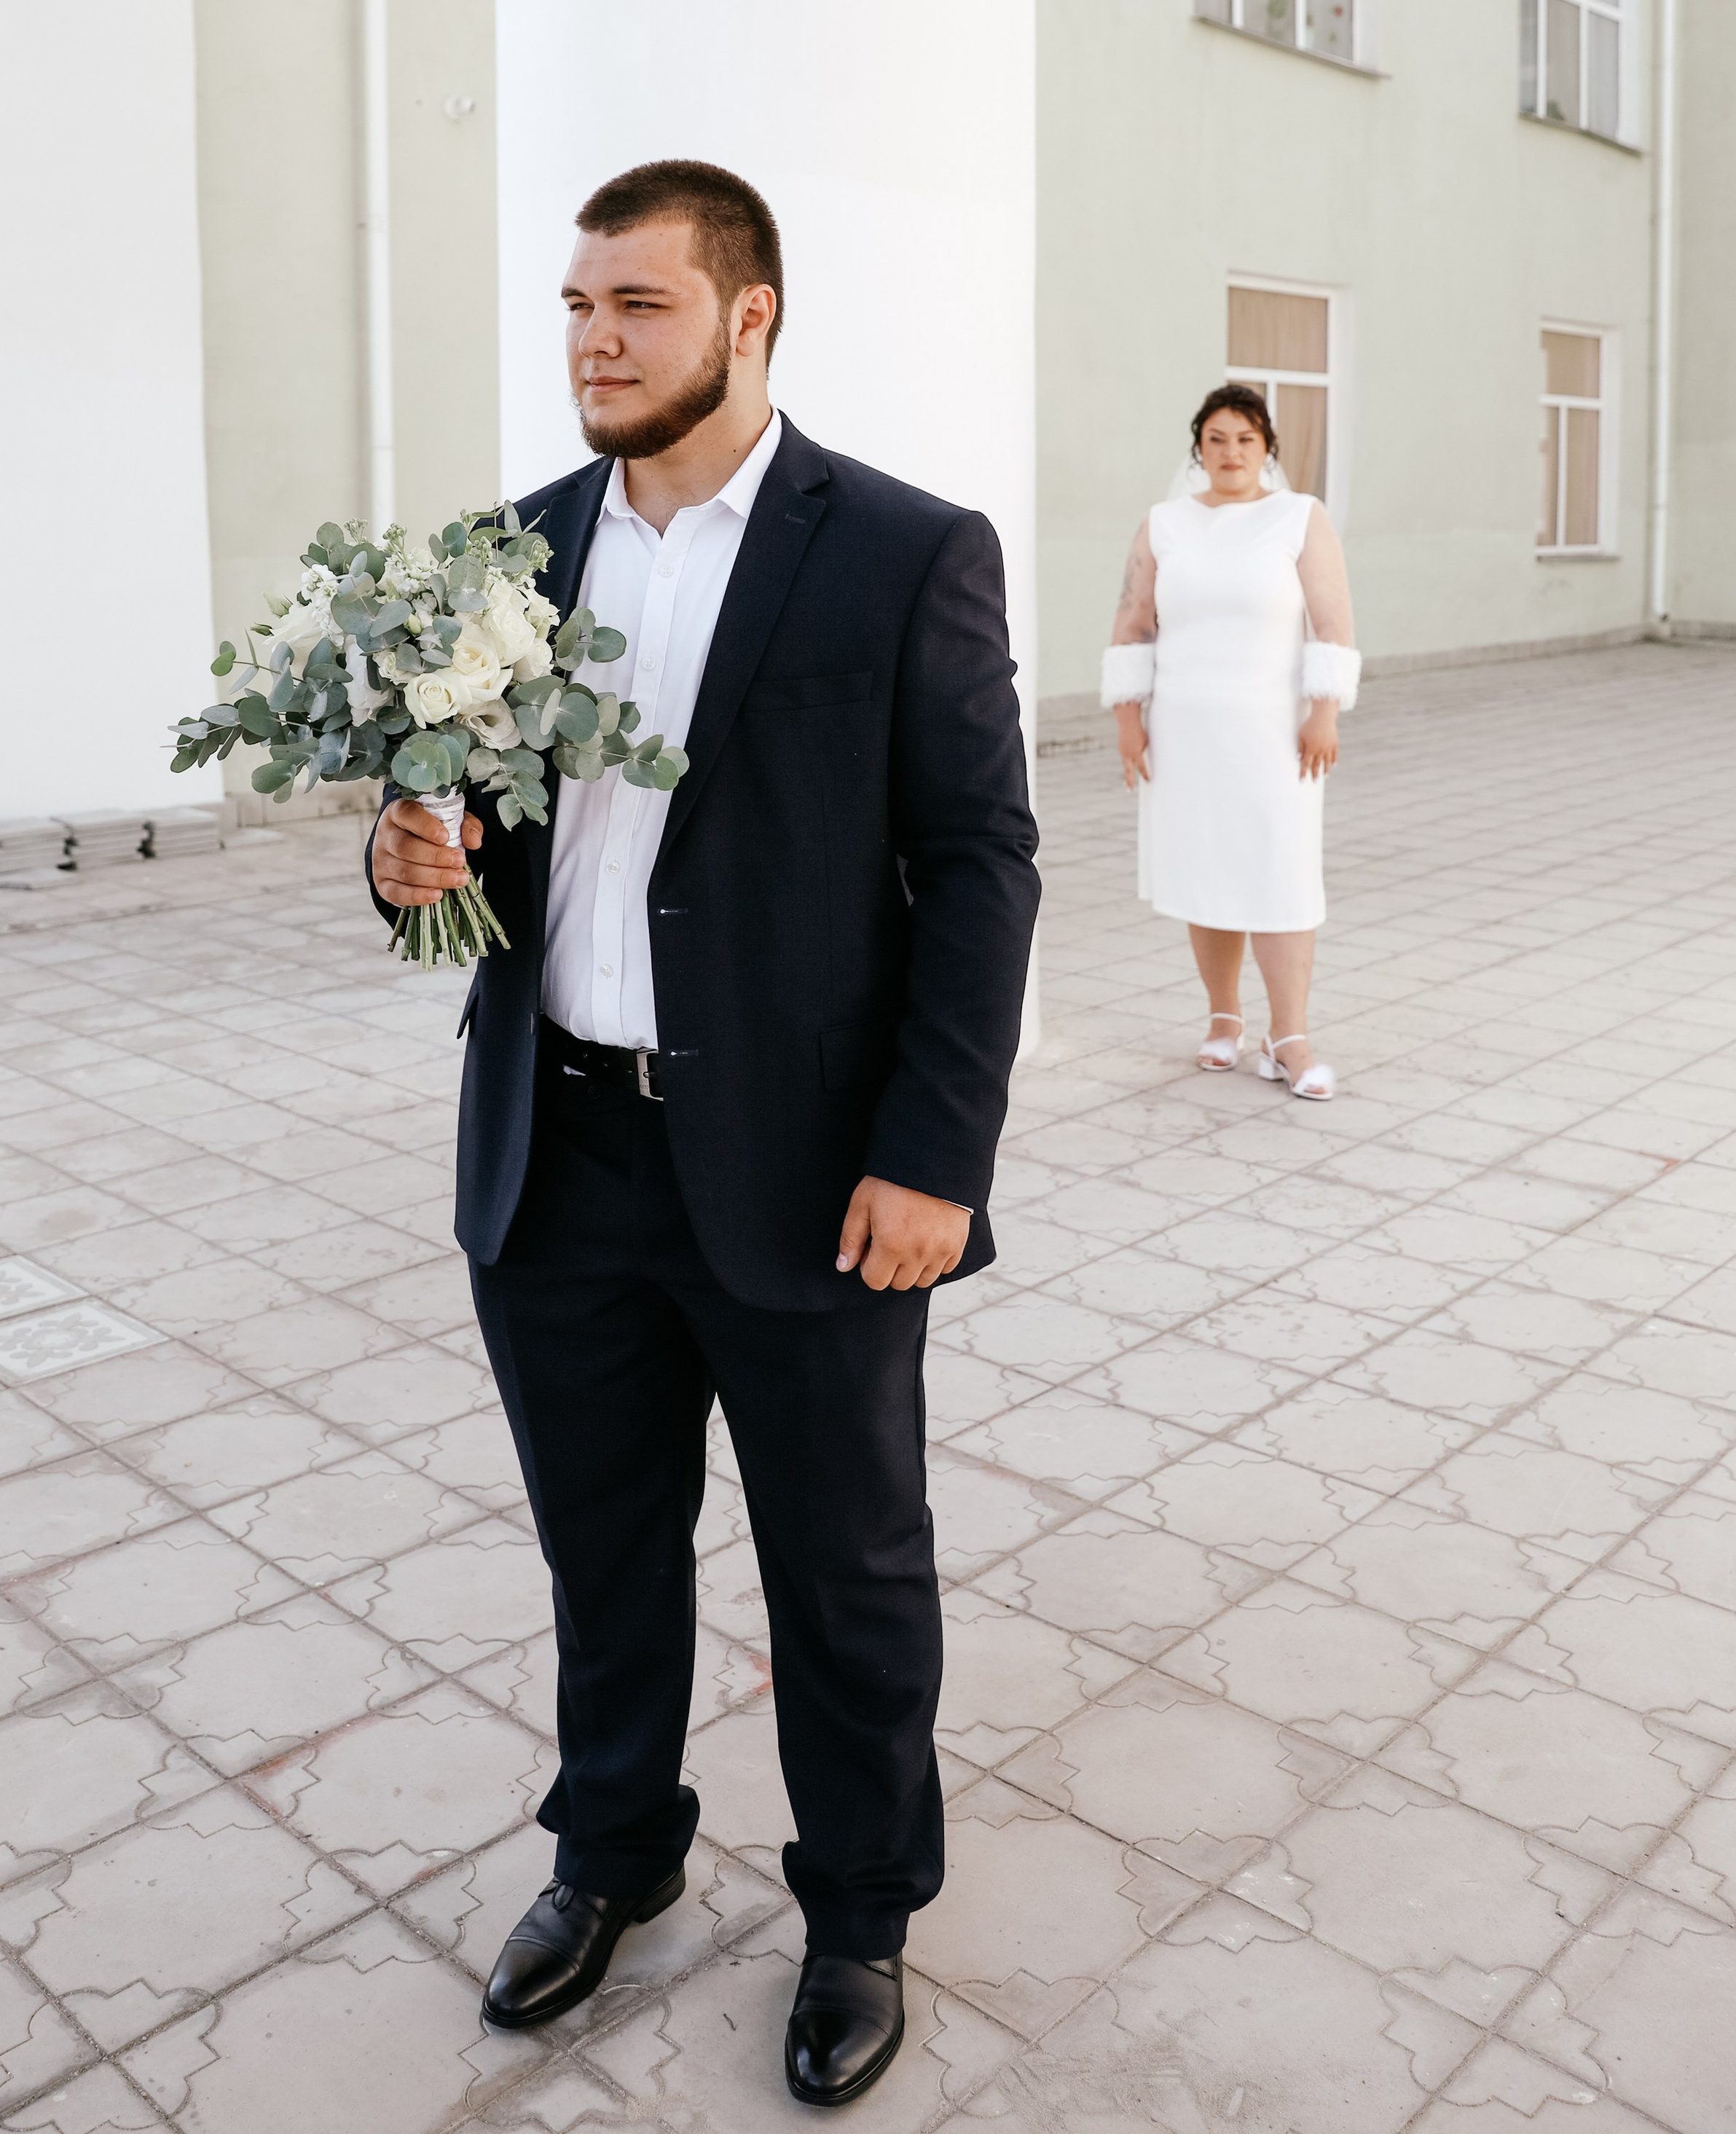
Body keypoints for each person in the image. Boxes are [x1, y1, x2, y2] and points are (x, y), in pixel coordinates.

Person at [368, 161, 1037, 2109]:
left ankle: (855, 1905)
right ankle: (616, 1843)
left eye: (636, 304)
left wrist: (936, 1147)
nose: (591, 336)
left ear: (749, 317)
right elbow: (465, 871)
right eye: (577, 302)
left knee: (844, 1560)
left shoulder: (901, 549)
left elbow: (980, 863)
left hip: (816, 1170)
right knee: (605, 1545)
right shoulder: (505, 554)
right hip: (556, 1145)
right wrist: (414, 863)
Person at [1101, 383, 1359, 1100]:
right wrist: (1129, 718)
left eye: (1244, 439)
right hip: (1186, 730)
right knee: (1207, 875)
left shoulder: (1299, 519)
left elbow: (1333, 624)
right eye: (1216, 439)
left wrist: (1324, 711)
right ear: (1198, 449)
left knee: (1281, 877)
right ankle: (1223, 1019)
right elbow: (1132, 623)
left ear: (1266, 447)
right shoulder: (1164, 524)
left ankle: (1290, 1038)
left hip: (1275, 733)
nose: (1230, 453)